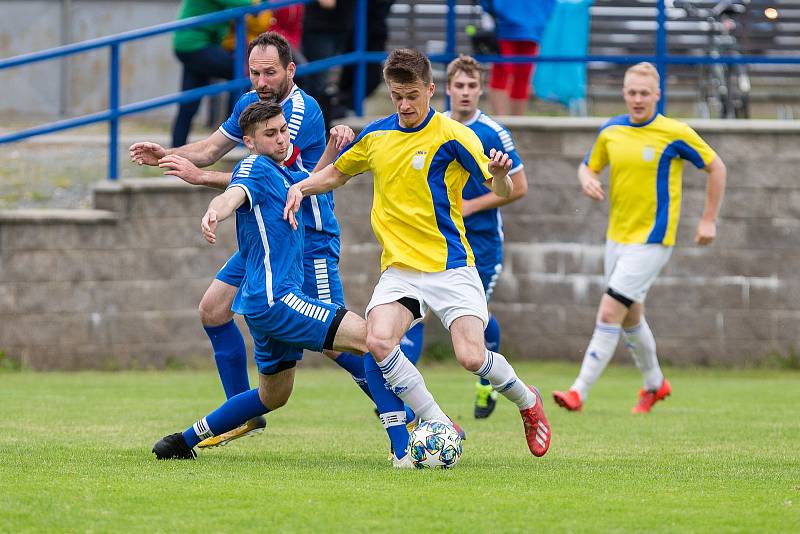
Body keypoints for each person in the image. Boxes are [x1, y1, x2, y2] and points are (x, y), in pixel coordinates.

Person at [284, 48, 552, 462]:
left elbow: (502, 190)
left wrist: (498, 175)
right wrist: (302, 187)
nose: (405, 105)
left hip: (452, 267)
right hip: (401, 270)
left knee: (471, 357)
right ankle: (438, 420)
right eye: (397, 96)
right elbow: (336, 173)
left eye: (412, 95)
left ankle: (527, 400)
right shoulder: (376, 136)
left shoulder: (455, 135)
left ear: (430, 90)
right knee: (377, 340)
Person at [131, 32, 371, 448]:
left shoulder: (296, 112)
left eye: (270, 73)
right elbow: (208, 149)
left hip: (305, 236)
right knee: (213, 310)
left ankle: (406, 415)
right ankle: (241, 413)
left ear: (291, 71)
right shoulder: (250, 104)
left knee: (341, 342)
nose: (260, 81)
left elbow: (269, 180)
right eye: (254, 72)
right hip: (264, 235)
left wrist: (204, 180)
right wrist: (170, 155)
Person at [552, 62, 727, 414]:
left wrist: (709, 219)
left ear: (657, 95)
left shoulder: (674, 133)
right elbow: (588, 164)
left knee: (609, 310)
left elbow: (716, 166)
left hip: (653, 240)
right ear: (624, 94)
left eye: (644, 93)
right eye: (631, 92)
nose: (637, 99)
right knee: (631, 317)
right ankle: (654, 383)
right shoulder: (612, 130)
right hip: (616, 238)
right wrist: (585, 177)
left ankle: (578, 391)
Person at [400, 54, 528, 419]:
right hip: (432, 240)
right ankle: (409, 396)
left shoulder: (492, 132)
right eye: (460, 85)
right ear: (445, 89)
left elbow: (518, 186)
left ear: (481, 89)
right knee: (413, 312)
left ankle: (488, 383)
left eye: (472, 86)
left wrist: (472, 207)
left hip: (481, 243)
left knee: (478, 317)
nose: (466, 92)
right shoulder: (431, 127)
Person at [171, 0, 255, 148]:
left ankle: (175, 151)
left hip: (193, 43)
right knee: (240, 74)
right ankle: (232, 135)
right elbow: (248, 5)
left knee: (189, 104)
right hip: (196, 44)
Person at [480, 0, 555, 116]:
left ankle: (512, 124)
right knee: (506, 76)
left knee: (515, 77)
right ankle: (503, 124)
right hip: (515, 24)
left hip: (527, 25)